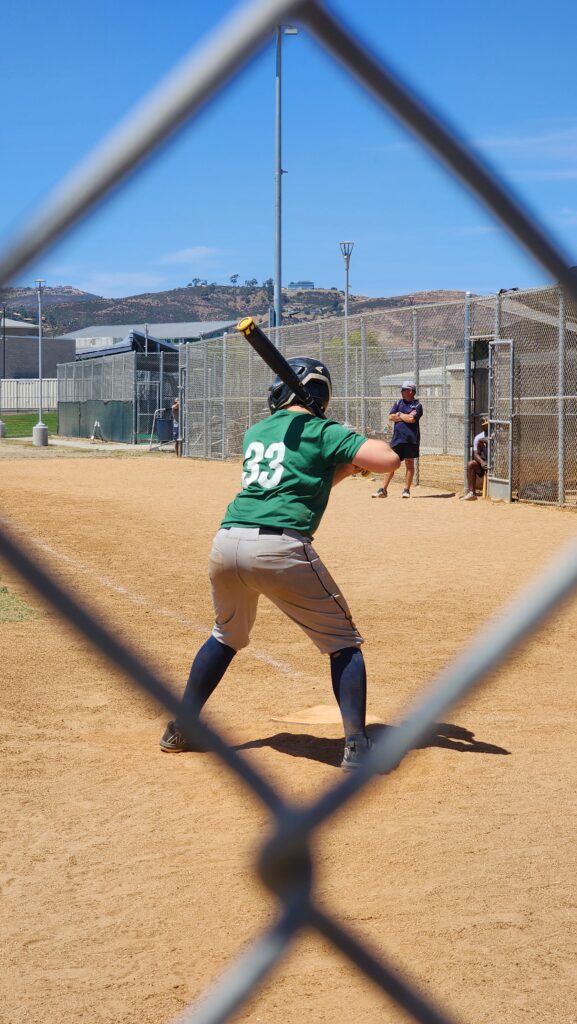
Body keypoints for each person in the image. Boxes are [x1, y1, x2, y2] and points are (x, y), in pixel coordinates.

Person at [160, 356, 400, 770]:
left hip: (227, 541)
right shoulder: (322, 430)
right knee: (343, 641)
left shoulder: (258, 431)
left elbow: (305, 475)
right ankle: (358, 747)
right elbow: (389, 460)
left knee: (225, 635)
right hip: (279, 548)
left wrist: (342, 463)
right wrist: (342, 436)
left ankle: (179, 727)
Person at [372, 380, 423, 499]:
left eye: (403, 390)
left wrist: (399, 415)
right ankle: (383, 490)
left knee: (409, 464)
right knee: (391, 463)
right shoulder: (398, 402)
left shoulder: (417, 405)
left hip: (411, 439)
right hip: (397, 439)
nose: (401, 392)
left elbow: (412, 419)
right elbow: (391, 416)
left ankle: (406, 490)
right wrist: (403, 415)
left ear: (410, 391)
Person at [461, 417, 488, 501]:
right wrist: (482, 462)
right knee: (471, 464)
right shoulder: (478, 437)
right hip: (485, 463)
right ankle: (472, 493)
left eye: (487, 424)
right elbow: (475, 454)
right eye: (484, 425)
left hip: (498, 464)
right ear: (481, 426)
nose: (486, 426)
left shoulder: (497, 434)